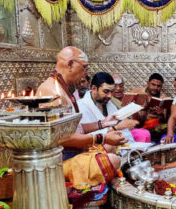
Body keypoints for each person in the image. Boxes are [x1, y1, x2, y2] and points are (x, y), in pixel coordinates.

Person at [37, 46, 127, 189]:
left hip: (76, 151)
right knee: (114, 160)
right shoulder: (52, 91)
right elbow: (61, 138)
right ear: (70, 65)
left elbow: (73, 128)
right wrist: (102, 138)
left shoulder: (61, 87)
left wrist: (102, 123)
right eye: (84, 68)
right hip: (60, 161)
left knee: (111, 146)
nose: (86, 73)